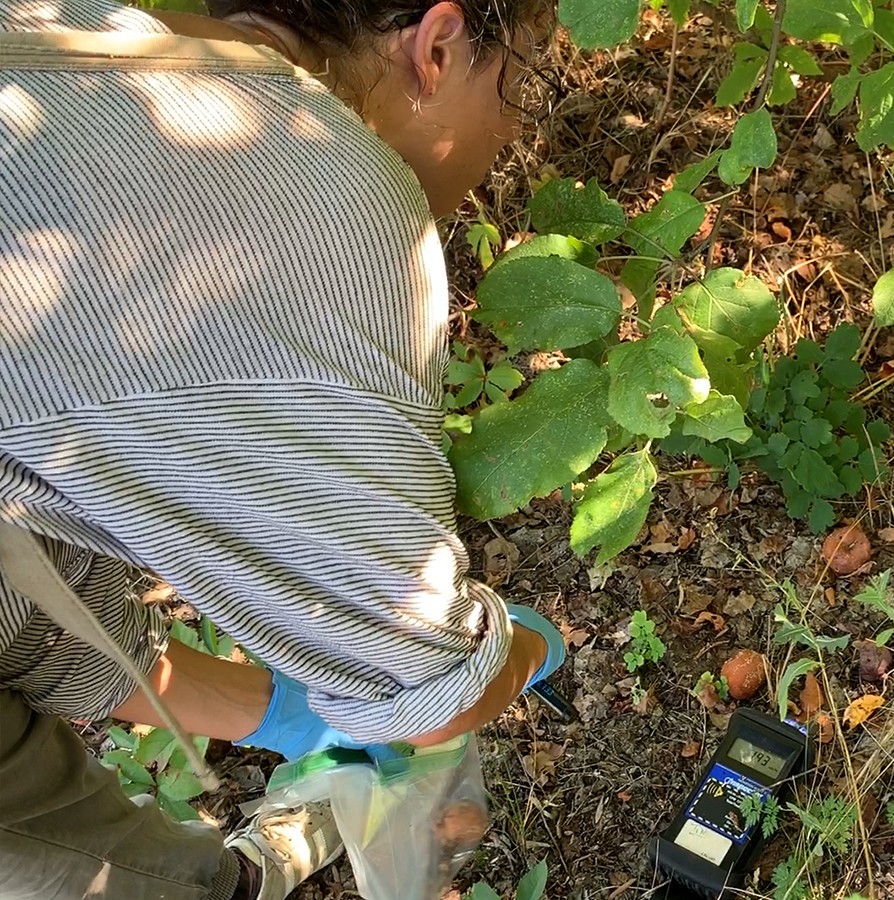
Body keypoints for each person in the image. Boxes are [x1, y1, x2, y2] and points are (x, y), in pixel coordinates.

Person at [0, 0, 565, 898]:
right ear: (439, 44)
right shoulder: (332, 212)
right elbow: (427, 690)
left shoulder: (73, 29)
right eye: (524, 82)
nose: (513, 128)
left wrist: (283, 715)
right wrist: (525, 654)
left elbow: (25, 523)